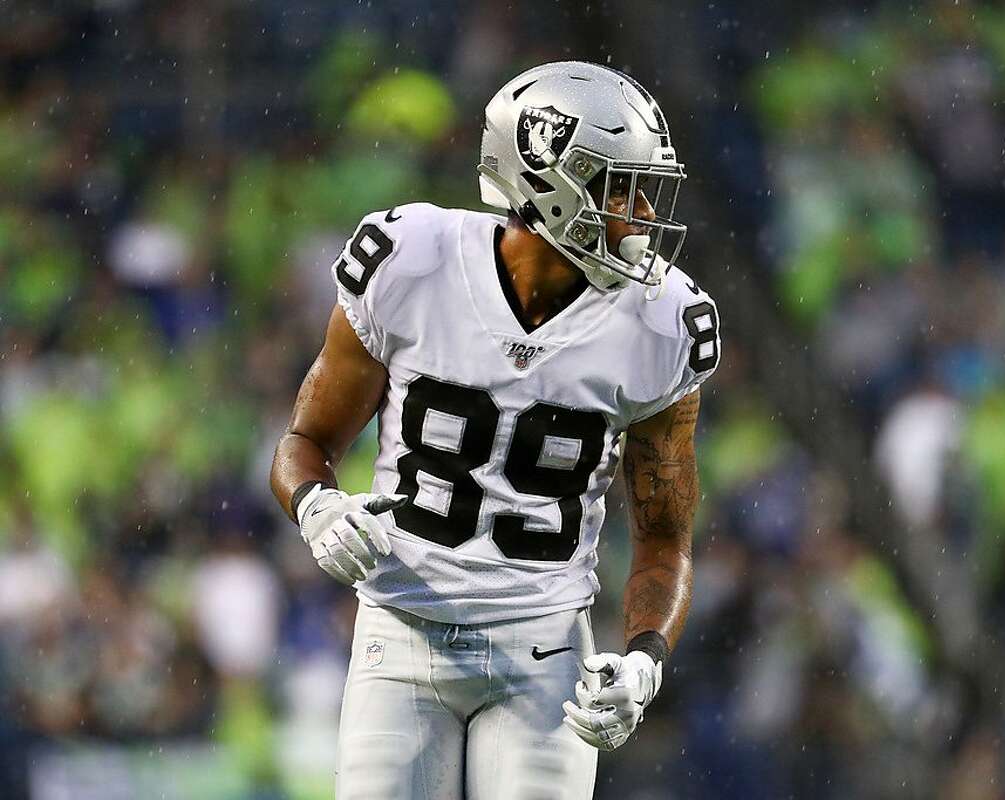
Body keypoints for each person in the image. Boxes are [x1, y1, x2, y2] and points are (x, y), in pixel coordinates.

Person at [269, 60, 721, 799]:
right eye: (618, 189)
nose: (640, 213)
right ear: (550, 182)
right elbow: (304, 445)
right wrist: (317, 506)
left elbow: (666, 538)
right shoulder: (412, 260)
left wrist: (644, 661)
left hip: (543, 650)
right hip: (401, 633)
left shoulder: (664, 322)